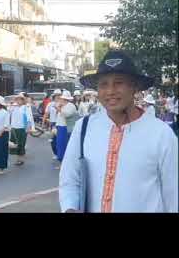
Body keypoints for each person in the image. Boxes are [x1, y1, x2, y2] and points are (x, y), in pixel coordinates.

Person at [59, 50, 178, 213]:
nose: (110, 91)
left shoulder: (161, 134)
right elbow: (70, 180)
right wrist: (70, 207)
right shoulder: (84, 127)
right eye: (103, 84)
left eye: (119, 83)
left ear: (134, 87)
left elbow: (173, 195)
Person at [55, 90, 78, 169]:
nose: (60, 100)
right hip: (60, 127)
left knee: (65, 145)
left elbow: (67, 115)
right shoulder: (62, 106)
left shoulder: (71, 106)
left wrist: (59, 108)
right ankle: (62, 162)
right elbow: (58, 117)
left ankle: (66, 164)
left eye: (62, 99)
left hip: (66, 128)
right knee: (60, 145)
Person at [9, 95, 31, 166]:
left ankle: (21, 159)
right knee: (14, 144)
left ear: (23, 100)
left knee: (21, 144)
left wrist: (28, 127)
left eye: (20, 100)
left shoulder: (25, 108)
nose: (18, 101)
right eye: (17, 100)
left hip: (22, 128)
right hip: (14, 128)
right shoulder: (13, 107)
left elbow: (28, 118)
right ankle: (18, 159)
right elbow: (8, 113)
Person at [43, 89, 61, 159]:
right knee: (53, 140)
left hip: (61, 123)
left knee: (60, 139)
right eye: (57, 95)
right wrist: (43, 122)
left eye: (59, 95)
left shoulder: (62, 104)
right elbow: (46, 114)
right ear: (54, 96)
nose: (58, 97)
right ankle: (55, 153)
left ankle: (60, 153)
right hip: (53, 123)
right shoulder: (50, 104)